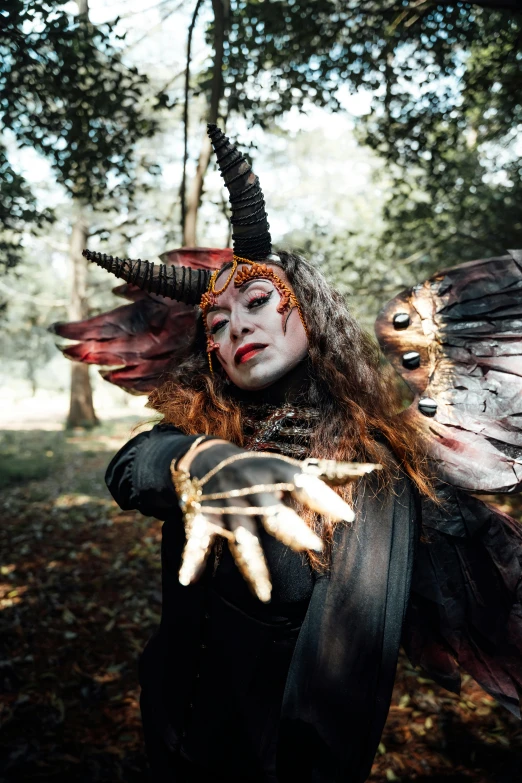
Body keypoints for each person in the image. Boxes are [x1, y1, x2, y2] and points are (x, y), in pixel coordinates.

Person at [62, 125, 522, 782]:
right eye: (216, 324)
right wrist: (201, 467)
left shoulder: (382, 472)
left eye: (256, 300)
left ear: (308, 309)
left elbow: (343, 673)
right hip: (173, 742)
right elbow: (132, 466)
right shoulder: (206, 436)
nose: (237, 325)